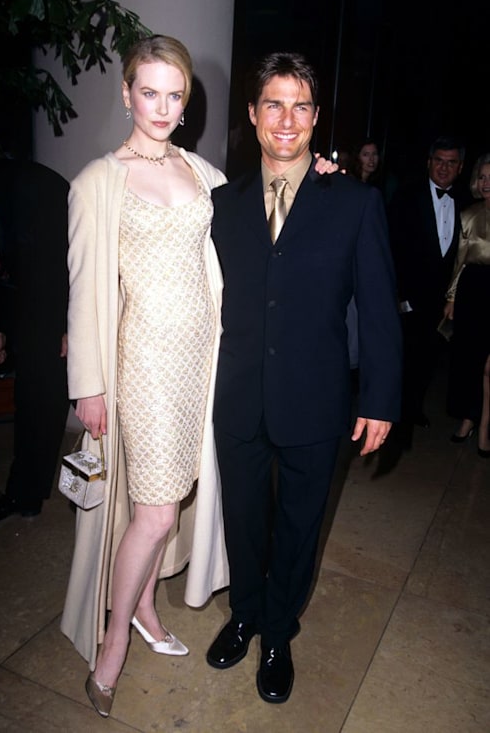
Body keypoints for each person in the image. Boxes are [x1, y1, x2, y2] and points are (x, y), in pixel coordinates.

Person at [206, 52, 402, 704]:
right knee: (242, 516)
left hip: (317, 396)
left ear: (316, 118)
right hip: (236, 393)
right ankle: (245, 611)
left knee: (297, 523)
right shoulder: (221, 205)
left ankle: (278, 633)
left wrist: (379, 397)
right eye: (273, 103)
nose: (286, 119)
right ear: (254, 115)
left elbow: (377, 307)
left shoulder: (353, 202)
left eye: (300, 105)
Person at [61, 34, 232, 718]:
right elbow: (84, 289)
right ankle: (112, 644)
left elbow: (258, 229)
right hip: (145, 363)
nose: (162, 107)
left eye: (175, 94)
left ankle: (149, 610)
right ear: (126, 92)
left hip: (202, 362)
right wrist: (87, 384)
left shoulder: (204, 174)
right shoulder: (99, 180)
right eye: (149, 91)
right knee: (156, 508)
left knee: (162, 501)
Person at [0, 157, 70, 521]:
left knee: (54, 404)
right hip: (28, 310)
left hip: (56, 311)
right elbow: (5, 267)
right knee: (35, 403)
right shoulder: (4, 187)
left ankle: (95, 497)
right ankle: (26, 495)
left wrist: (73, 326)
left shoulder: (34, 185)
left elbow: (68, 261)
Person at [388, 136, 467, 428]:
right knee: (404, 355)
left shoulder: (466, 203)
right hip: (410, 296)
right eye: (439, 161)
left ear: (460, 167)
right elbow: (392, 247)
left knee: (429, 356)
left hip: (443, 300)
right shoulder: (407, 197)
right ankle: (396, 411)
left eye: (451, 163)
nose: (444, 168)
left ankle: (414, 407)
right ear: (429, 163)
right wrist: (398, 294)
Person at [443, 153, 490, 457]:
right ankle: (470, 418)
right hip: (474, 291)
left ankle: (483, 426)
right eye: (483, 177)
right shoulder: (469, 215)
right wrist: (451, 298)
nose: (487, 183)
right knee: (471, 362)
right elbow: (459, 262)